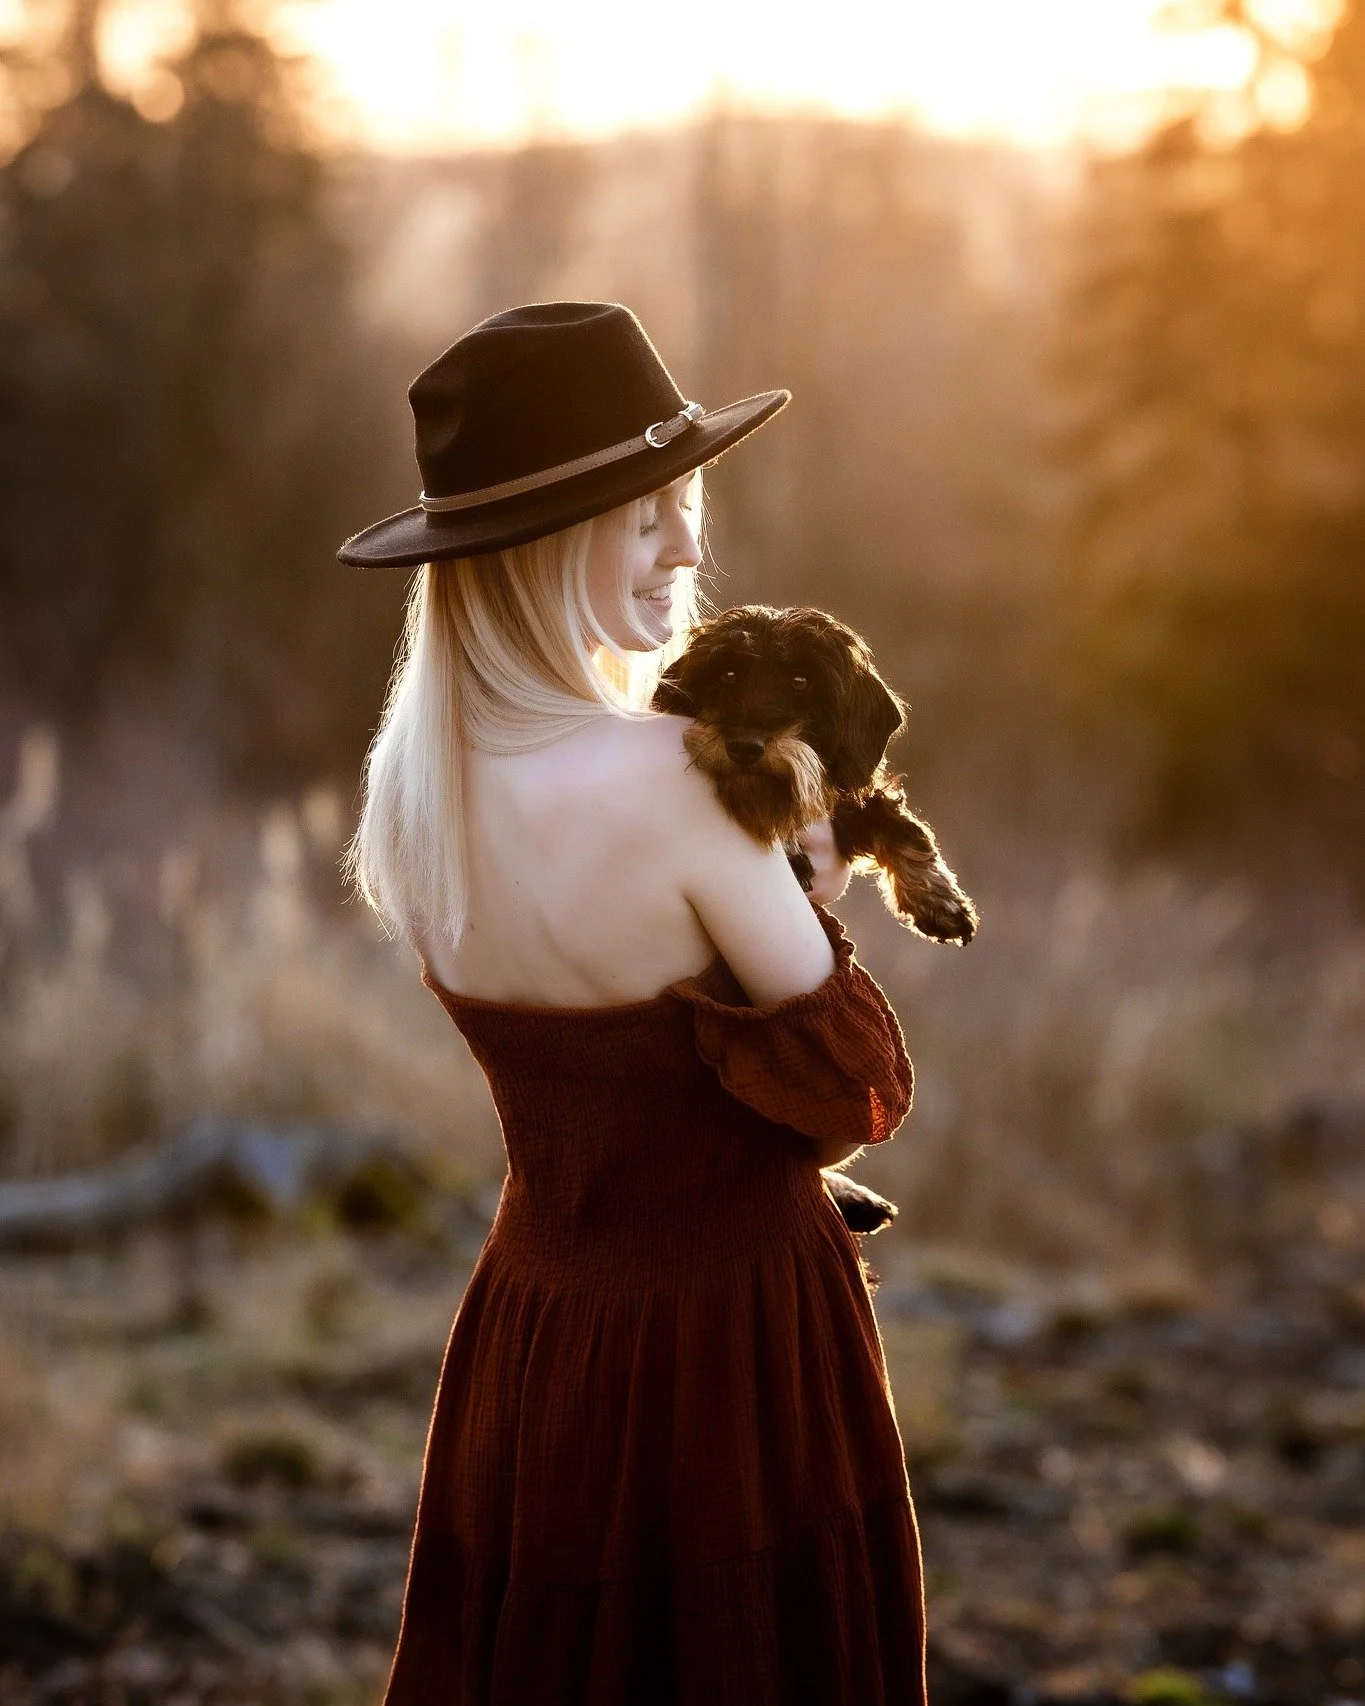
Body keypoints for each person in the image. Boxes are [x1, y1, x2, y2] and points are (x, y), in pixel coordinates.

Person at [338, 301, 924, 1704]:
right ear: (543, 548)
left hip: (540, 1335)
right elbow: (854, 1092)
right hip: (733, 1343)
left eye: (686, 505)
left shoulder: (414, 798)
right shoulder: (677, 778)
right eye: (644, 516)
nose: (688, 547)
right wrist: (812, 904)